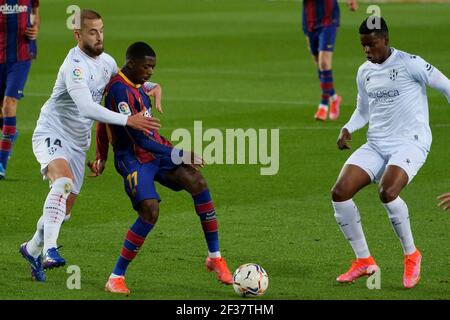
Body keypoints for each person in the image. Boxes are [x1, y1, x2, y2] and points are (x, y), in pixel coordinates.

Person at [18, 9, 161, 282]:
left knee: (63, 212)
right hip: (52, 131)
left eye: (101, 30)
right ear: (78, 34)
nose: (99, 37)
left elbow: (122, 83)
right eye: (92, 32)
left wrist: (150, 86)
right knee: (62, 184)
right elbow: (86, 107)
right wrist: (127, 120)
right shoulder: (74, 66)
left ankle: (31, 248)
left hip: (77, 142)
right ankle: (49, 251)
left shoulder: (105, 62)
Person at [87, 42, 233, 295]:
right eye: (147, 67)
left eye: (153, 67)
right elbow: (138, 139)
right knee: (150, 211)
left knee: (197, 182)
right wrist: (179, 153)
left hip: (155, 150)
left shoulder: (137, 84)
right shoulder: (119, 91)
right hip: (132, 158)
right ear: (131, 63)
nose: (151, 72)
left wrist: (153, 86)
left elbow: (103, 121)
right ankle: (116, 277)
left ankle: (215, 257)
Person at [331, 17, 450, 288]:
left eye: (371, 44)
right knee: (340, 193)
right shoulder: (364, 71)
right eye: (363, 46)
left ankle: (411, 254)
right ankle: (363, 261)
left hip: (411, 141)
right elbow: (363, 110)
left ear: (386, 40)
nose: (367, 51)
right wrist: (348, 128)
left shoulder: (411, 63)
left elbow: (446, 86)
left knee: (387, 192)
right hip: (376, 143)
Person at [0, 0, 40, 179]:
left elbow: (36, 14)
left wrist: (35, 28)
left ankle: (1, 163)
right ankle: (10, 130)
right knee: (3, 112)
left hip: (20, 58)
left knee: (9, 104)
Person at [302, 0, 358, 121]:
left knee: (324, 62)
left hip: (329, 18)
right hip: (309, 18)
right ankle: (333, 97)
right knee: (319, 64)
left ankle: (323, 105)